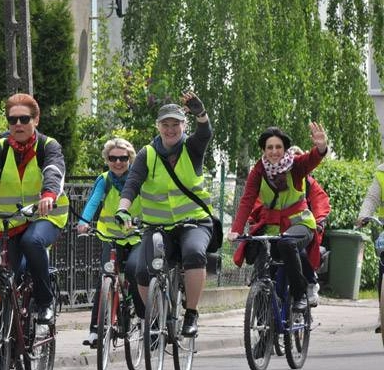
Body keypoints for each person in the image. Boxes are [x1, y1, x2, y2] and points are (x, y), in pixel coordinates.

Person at [116, 92, 214, 338]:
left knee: (193, 254)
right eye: (165, 124)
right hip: (158, 226)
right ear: (158, 126)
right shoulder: (146, 154)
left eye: (176, 124)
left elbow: (205, 134)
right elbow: (132, 184)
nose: (170, 129)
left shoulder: (191, 148)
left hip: (194, 222)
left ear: (184, 125)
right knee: (141, 270)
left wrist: (200, 113)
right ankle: (156, 320)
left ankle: (191, 313)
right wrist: (123, 208)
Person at [0, 93, 69, 329]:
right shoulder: (0, 147)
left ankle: (44, 302)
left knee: (32, 241)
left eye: (24, 119)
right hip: (8, 222)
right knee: (1, 269)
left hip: (45, 216)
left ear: (36, 120)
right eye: (13, 119)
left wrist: (48, 195)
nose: (18, 124)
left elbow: (54, 171)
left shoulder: (48, 146)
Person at [227, 123, 330, 315]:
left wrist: (321, 147)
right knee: (262, 267)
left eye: (278, 147)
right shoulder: (258, 170)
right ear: (264, 150)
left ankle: (300, 294)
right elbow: (247, 200)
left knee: (287, 243)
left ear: (284, 149)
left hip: (300, 224)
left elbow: (312, 159)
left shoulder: (296, 165)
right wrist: (236, 229)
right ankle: (261, 325)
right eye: (269, 147)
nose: (274, 152)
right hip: (272, 228)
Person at [76, 138, 144, 346]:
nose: (118, 162)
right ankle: (95, 331)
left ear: (130, 158)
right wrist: (83, 222)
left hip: (136, 236)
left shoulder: (138, 178)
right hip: (110, 236)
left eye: (123, 158)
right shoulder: (104, 179)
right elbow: (94, 202)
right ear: (107, 159)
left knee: (135, 272)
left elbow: (150, 202)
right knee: (104, 279)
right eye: (113, 158)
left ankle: (141, 315)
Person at [355, 163, 384, 333]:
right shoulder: (382, 172)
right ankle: (383, 312)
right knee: (383, 259)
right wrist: (364, 215)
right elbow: (371, 198)